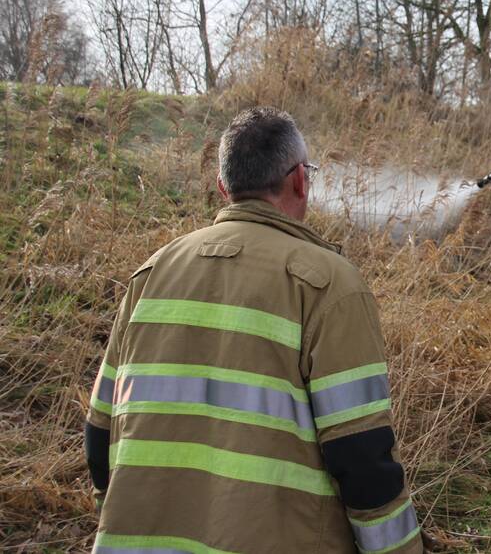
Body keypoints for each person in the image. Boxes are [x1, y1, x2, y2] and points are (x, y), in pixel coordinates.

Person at [84, 107, 422, 554]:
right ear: (300, 179)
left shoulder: (152, 273)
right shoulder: (327, 284)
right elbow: (361, 456)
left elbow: (99, 434)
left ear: (224, 188)